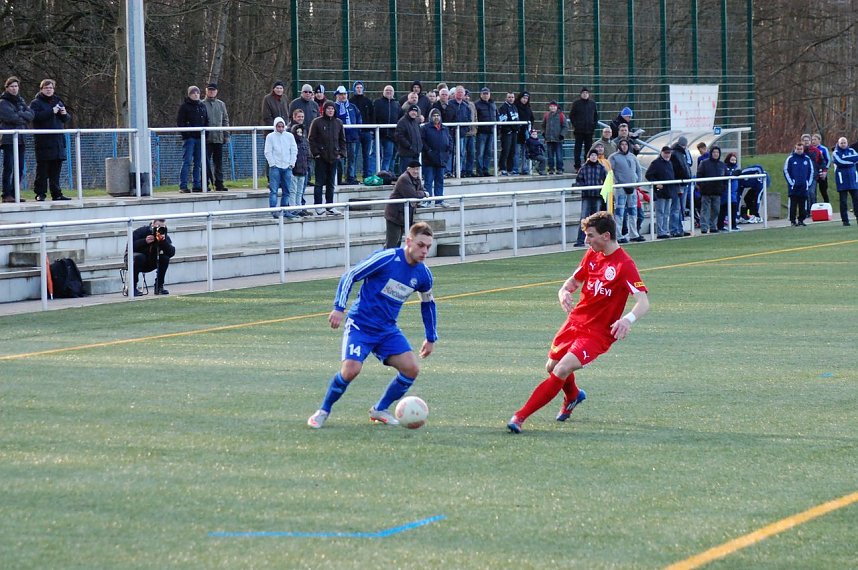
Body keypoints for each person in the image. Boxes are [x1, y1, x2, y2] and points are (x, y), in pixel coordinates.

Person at [507, 211, 649, 433]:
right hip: (575, 322)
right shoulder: (592, 255)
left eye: (590, 235)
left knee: (562, 368)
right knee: (551, 366)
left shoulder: (624, 265)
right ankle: (573, 395)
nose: (586, 240)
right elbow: (574, 281)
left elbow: (643, 302)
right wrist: (564, 291)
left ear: (606, 236)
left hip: (598, 333)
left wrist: (627, 319)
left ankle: (519, 417)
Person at [307, 221, 438, 429]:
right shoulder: (386, 259)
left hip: (387, 330)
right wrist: (339, 307)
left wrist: (431, 337)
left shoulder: (423, 274)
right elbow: (350, 275)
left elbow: (428, 304)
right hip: (361, 324)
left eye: (428, 247)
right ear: (408, 241)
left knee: (411, 369)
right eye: (421, 245)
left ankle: (379, 409)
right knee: (351, 370)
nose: (425, 251)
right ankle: (322, 411)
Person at [29, 79, 72, 201]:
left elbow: (65, 119)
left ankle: (57, 193)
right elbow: (36, 117)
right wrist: (51, 111)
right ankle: (40, 193)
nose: (49, 90)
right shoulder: (35, 103)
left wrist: (64, 114)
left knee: (56, 170)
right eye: (46, 88)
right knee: (42, 170)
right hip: (44, 141)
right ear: (41, 89)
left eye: (51, 88)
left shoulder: (58, 101)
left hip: (57, 141)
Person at [308, 101, 346, 215]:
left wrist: (341, 153)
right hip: (321, 158)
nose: (330, 111)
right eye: (328, 108)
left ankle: (330, 205)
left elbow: (342, 140)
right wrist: (316, 153)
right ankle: (318, 205)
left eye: (332, 109)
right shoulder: (317, 122)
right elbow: (311, 139)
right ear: (324, 110)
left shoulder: (338, 123)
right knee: (319, 183)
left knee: (331, 183)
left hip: (334, 157)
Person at [1, 76, 34, 203]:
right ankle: (6, 194)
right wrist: (22, 116)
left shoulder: (21, 101)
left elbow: (31, 114)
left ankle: (15, 193)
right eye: (12, 86)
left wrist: (21, 115)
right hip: (9, 139)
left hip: (21, 138)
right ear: (7, 88)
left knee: (19, 167)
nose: (14, 89)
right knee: (8, 166)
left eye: (16, 86)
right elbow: (10, 117)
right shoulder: (3, 102)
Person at [384, 161, 427, 248]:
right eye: (414, 169)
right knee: (392, 243)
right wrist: (424, 194)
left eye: (417, 169)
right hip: (395, 215)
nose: (416, 171)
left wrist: (422, 193)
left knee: (398, 242)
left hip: (404, 214)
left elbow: (422, 190)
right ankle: (386, 260)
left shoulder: (416, 178)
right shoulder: (404, 178)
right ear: (408, 169)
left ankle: (394, 259)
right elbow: (413, 195)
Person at [608, 138, 643, 243]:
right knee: (619, 212)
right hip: (620, 188)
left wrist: (638, 183)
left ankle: (634, 234)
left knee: (633, 211)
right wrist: (616, 182)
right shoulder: (613, 157)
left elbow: (638, 170)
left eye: (625, 144)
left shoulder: (632, 156)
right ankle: (618, 235)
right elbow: (610, 171)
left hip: (632, 187)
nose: (624, 146)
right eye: (622, 144)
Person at [129, 219, 175, 296]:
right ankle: (132, 287)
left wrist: (163, 241)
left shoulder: (163, 234)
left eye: (162, 227)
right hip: (134, 260)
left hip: (151, 260)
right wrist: (144, 241)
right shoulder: (141, 231)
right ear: (152, 224)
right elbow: (130, 246)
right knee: (140, 257)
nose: (159, 229)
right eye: (157, 227)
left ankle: (159, 286)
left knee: (164, 258)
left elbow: (171, 253)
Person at [176, 85, 208, 193]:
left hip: (200, 138)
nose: (196, 94)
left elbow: (206, 122)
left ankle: (197, 185)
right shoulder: (184, 107)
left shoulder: (202, 106)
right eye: (193, 93)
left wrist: (205, 135)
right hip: (189, 139)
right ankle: (183, 185)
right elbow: (180, 122)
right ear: (189, 94)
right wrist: (187, 134)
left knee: (198, 162)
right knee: (187, 161)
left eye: (197, 93)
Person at [264, 117, 297, 219]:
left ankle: (285, 210)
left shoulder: (289, 136)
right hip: (275, 167)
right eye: (279, 126)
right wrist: (272, 164)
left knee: (286, 190)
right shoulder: (270, 137)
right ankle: (274, 211)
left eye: (282, 126)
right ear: (275, 126)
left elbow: (294, 150)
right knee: (274, 190)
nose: (281, 128)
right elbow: (268, 151)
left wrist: (292, 163)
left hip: (287, 166)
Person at [573, 150, 607, 247]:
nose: (593, 157)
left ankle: (596, 240)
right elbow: (578, 180)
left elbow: (606, 181)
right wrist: (584, 186)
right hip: (587, 196)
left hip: (597, 196)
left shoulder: (601, 168)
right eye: (591, 155)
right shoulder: (584, 168)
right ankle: (580, 240)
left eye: (595, 155)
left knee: (595, 220)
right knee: (583, 218)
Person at [421, 108, 452, 205]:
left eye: (438, 115)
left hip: (441, 159)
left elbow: (450, 140)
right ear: (430, 117)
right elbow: (422, 141)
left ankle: (439, 200)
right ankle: (427, 200)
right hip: (429, 159)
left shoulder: (444, 128)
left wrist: (448, 151)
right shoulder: (425, 128)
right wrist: (428, 151)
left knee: (440, 181)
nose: (436, 117)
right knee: (428, 181)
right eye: (434, 115)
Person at [646, 146, 679, 239]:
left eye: (669, 153)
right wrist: (656, 183)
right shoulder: (656, 163)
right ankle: (661, 232)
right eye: (666, 153)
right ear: (662, 152)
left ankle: (664, 230)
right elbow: (648, 175)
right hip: (660, 192)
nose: (667, 155)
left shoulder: (670, 163)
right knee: (660, 212)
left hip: (669, 191)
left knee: (666, 212)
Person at [202, 83, 230, 192]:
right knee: (205, 162)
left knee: (218, 162)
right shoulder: (202, 104)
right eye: (209, 90)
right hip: (206, 139)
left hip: (219, 137)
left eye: (213, 90)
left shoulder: (221, 104)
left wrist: (226, 134)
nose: (211, 92)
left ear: (216, 91)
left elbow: (225, 120)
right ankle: (205, 183)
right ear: (206, 91)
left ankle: (219, 183)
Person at [333, 85, 361, 185]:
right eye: (341, 94)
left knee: (352, 158)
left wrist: (358, 130)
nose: (343, 96)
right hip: (340, 138)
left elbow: (359, 118)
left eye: (345, 94)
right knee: (340, 159)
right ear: (337, 95)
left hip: (352, 136)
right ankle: (339, 179)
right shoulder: (334, 107)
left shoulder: (352, 107)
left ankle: (351, 177)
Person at [696, 145, 727, 233]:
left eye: (717, 152)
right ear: (711, 153)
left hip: (717, 192)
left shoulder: (722, 165)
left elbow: (726, 177)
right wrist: (702, 186)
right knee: (705, 210)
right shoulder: (704, 163)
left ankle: (713, 226)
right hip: (706, 192)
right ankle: (704, 227)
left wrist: (723, 188)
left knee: (716, 210)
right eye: (714, 152)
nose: (716, 154)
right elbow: (699, 176)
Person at [783, 142, 814, 226]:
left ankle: (801, 220)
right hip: (794, 187)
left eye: (801, 149)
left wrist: (808, 183)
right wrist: (791, 183)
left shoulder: (807, 159)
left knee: (802, 204)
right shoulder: (790, 159)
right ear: (795, 149)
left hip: (804, 186)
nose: (799, 150)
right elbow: (786, 171)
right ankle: (793, 221)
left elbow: (811, 171)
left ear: (803, 149)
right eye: (797, 149)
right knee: (793, 204)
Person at [569, 87, 598, 171]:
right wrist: (576, 125)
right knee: (577, 149)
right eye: (583, 93)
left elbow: (595, 116)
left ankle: (588, 164)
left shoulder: (592, 104)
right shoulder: (576, 103)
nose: (585, 94)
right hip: (579, 131)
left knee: (588, 149)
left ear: (588, 94)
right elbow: (572, 116)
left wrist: (593, 125)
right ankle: (577, 166)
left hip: (589, 131)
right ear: (581, 94)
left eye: (586, 93)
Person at [373, 85, 401, 173]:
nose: (388, 92)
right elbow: (373, 116)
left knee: (389, 155)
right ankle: (373, 174)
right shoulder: (377, 102)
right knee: (375, 155)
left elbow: (400, 118)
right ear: (383, 92)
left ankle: (386, 173)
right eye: (387, 90)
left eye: (390, 90)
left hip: (391, 135)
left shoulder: (396, 104)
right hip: (378, 134)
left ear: (393, 93)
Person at [350, 81, 375, 181]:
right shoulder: (351, 101)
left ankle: (367, 176)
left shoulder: (368, 101)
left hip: (366, 132)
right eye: (357, 87)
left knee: (367, 155)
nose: (359, 89)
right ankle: (352, 176)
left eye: (360, 87)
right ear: (354, 89)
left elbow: (372, 116)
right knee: (354, 155)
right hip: (355, 133)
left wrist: (372, 130)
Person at [831, 136, 858, 226]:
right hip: (842, 180)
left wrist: (847, 160)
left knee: (856, 199)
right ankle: (845, 220)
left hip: (853, 179)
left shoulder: (852, 151)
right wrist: (851, 162)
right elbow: (839, 162)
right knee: (843, 201)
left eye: (844, 142)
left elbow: (856, 158)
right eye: (841, 143)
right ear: (839, 144)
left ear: (847, 143)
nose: (843, 144)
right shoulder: (836, 152)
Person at [474, 87, 497, 176]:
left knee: (488, 152)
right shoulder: (477, 104)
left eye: (487, 93)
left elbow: (496, 116)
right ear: (481, 94)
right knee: (480, 152)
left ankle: (485, 169)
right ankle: (479, 170)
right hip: (481, 132)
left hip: (491, 131)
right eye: (484, 93)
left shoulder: (492, 104)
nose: (485, 95)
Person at [290, 123, 311, 216]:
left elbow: (308, 156)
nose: (299, 134)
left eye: (301, 132)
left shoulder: (305, 142)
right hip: (294, 171)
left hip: (303, 170)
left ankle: (298, 208)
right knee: (293, 191)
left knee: (300, 191)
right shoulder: (292, 143)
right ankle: (292, 208)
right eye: (297, 132)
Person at [394, 105, 423, 175]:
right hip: (406, 153)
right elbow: (399, 136)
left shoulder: (415, 122)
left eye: (415, 111)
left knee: (414, 175)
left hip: (415, 153)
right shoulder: (402, 121)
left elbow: (419, 135)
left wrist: (420, 146)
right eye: (412, 111)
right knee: (406, 175)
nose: (414, 113)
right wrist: (409, 146)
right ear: (408, 112)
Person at [497, 92, 520, 176]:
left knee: (512, 151)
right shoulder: (503, 107)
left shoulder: (514, 107)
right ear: (506, 98)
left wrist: (517, 129)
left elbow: (517, 119)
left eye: (512, 97)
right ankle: (502, 168)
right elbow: (503, 120)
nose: (511, 99)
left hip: (514, 133)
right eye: (509, 97)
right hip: (507, 133)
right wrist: (509, 129)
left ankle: (510, 169)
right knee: (505, 150)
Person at [542, 101, 567, 175]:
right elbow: (543, 125)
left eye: (554, 106)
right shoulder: (546, 115)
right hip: (549, 139)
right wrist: (544, 133)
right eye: (551, 106)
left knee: (559, 156)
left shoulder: (561, 115)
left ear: (557, 107)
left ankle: (560, 169)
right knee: (550, 156)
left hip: (558, 139)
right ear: (549, 107)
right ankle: (551, 169)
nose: (552, 108)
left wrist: (562, 135)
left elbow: (565, 126)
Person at [514, 91, 534, 174]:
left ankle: (524, 168)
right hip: (517, 133)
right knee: (516, 152)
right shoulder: (515, 107)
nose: (525, 100)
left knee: (525, 152)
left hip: (526, 133)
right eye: (524, 98)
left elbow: (532, 119)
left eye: (526, 98)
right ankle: (515, 168)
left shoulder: (528, 108)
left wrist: (530, 128)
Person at [811, 133, 831, 204]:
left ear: (819, 140)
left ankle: (827, 204)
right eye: (812, 139)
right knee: (813, 191)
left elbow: (828, 160)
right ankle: (814, 206)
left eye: (815, 139)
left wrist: (825, 170)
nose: (813, 141)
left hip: (822, 172)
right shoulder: (810, 149)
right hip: (814, 172)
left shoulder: (823, 149)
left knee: (823, 190)